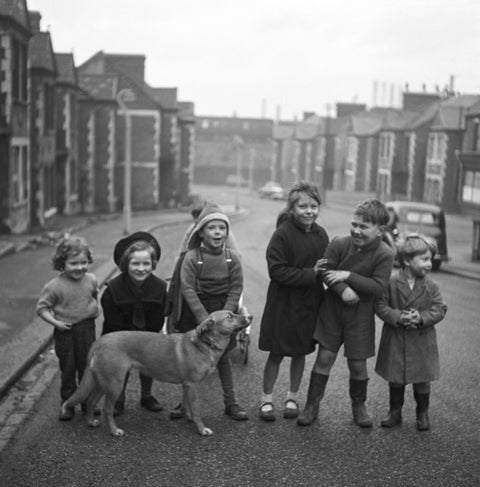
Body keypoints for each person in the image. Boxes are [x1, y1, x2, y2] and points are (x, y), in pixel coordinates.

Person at [297, 198, 394, 428]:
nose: (356, 230)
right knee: (324, 358)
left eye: (363, 227)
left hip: (360, 316)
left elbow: (378, 287)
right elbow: (325, 271)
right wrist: (343, 290)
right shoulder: (340, 243)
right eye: (354, 224)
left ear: (380, 230)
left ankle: (358, 406)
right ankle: (312, 406)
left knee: (358, 365)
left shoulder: (385, 254)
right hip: (332, 311)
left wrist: (347, 276)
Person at [258, 181, 329, 422]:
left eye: (314, 206)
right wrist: (312, 273)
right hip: (283, 304)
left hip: (309, 304)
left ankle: (292, 398)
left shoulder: (321, 234)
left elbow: (327, 267)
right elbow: (277, 271)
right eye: (303, 206)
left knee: (300, 353)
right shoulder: (282, 234)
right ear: (292, 209)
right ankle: (266, 399)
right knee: (277, 353)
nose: (309, 211)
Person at [170, 201, 248, 421]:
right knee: (190, 356)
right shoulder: (192, 257)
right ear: (201, 232)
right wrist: (205, 319)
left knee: (222, 357)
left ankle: (230, 403)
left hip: (223, 311)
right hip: (196, 311)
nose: (218, 232)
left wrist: (225, 316)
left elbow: (236, 288)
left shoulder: (232, 257)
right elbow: (187, 288)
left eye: (222, 228)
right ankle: (184, 404)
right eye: (212, 228)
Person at [374, 234, 447, 431]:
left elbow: (440, 309)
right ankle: (395, 412)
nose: (429, 264)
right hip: (396, 337)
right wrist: (398, 316)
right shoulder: (391, 282)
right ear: (407, 260)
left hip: (422, 340)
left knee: (422, 379)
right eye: (424, 259)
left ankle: (422, 414)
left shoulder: (432, 286)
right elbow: (380, 305)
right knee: (396, 378)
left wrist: (421, 318)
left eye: (430, 259)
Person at [101, 231, 169, 416]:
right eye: (135, 263)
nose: (141, 268)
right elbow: (112, 322)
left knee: (149, 363)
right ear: (126, 264)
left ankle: (146, 395)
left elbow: (158, 318)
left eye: (146, 263)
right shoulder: (113, 290)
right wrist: (128, 343)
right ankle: (118, 398)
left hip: (147, 334)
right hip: (119, 336)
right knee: (120, 367)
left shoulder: (159, 288)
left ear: (153, 264)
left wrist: (148, 338)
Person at [36, 236, 99, 421]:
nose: (80, 267)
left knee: (87, 368)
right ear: (62, 263)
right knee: (69, 370)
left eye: (84, 262)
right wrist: (57, 324)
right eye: (74, 263)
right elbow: (41, 308)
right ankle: (68, 404)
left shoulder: (92, 279)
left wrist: (95, 308)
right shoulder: (53, 286)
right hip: (66, 332)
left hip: (87, 329)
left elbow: (94, 294)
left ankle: (87, 402)